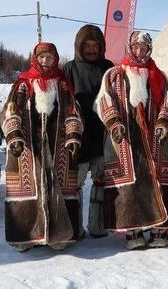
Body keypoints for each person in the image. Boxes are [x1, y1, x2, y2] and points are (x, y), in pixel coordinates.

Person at [94, 31, 168, 250]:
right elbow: (103, 99)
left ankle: (160, 230)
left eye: (144, 48)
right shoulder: (114, 74)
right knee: (130, 185)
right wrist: (114, 123)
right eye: (136, 47)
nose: (140, 51)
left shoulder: (159, 75)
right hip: (125, 140)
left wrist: (163, 122)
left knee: (157, 181)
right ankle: (133, 231)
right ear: (130, 47)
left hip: (154, 139)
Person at [1, 42, 84, 252]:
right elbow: (12, 110)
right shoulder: (24, 83)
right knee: (28, 190)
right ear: (35, 59)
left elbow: (72, 110)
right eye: (42, 57)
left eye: (49, 57)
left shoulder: (62, 84)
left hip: (57, 147)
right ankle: (25, 236)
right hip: (29, 146)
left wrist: (73, 134)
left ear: (55, 59)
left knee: (59, 189)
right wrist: (14, 135)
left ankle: (58, 235)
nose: (45, 61)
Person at [63, 25, 114, 238]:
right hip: (80, 136)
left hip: (103, 134)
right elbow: (64, 100)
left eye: (96, 46)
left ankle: (98, 226)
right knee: (74, 184)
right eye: (88, 46)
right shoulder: (69, 68)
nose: (92, 50)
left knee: (102, 182)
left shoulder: (109, 67)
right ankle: (74, 228)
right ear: (79, 47)